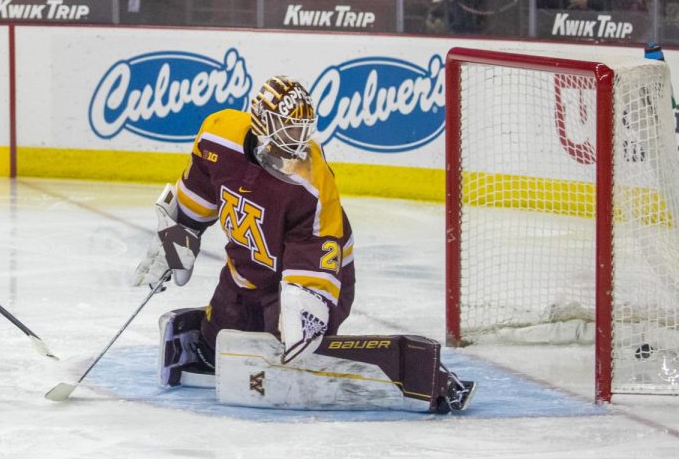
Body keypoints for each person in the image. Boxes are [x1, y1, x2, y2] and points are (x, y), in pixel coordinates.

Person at [132, 76, 474, 414]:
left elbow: (318, 246)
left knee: (291, 348)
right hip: (247, 269)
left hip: (318, 273)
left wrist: (304, 304)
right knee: (213, 341)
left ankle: (411, 374)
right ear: (261, 123)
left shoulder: (312, 180)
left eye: (302, 129)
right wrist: (175, 242)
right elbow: (195, 201)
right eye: (289, 128)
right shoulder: (218, 135)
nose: (297, 139)